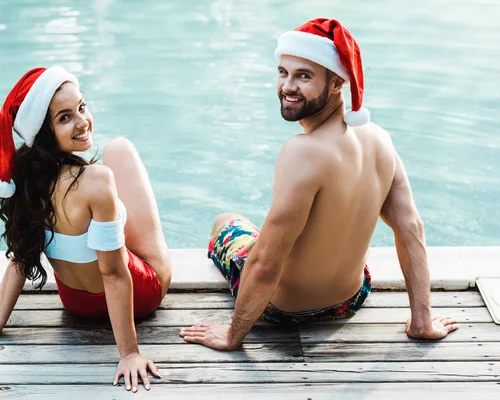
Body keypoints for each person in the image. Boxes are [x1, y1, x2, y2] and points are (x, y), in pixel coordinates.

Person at [180, 18, 459, 351]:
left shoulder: (302, 152)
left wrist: (232, 335)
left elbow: (267, 262)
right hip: (351, 299)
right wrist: (422, 322)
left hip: (283, 310)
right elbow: (411, 228)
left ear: (338, 81)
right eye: (283, 72)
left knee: (225, 221)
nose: (287, 86)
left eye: (304, 76)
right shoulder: (380, 139)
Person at [0, 67, 172, 392]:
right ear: (45, 132)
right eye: (65, 118)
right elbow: (113, 276)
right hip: (139, 298)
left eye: (81, 107)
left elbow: (20, 258)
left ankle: (110, 224)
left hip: (75, 302)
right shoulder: (97, 180)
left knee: (106, 203)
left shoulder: (24, 181)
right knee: (118, 148)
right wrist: (130, 353)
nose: (83, 121)